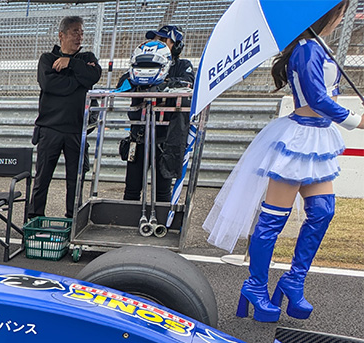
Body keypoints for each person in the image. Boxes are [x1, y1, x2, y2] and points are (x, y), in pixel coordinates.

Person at [205, 0, 362, 323]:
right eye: (341, 10)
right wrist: (356, 120)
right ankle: (255, 286)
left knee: (323, 211)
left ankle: (294, 281)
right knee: (273, 220)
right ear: (329, 14)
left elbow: (326, 95)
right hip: (297, 140)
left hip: (318, 138)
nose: (342, 16)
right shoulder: (307, 49)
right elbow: (317, 99)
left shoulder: (320, 48)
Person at [28, 16, 101, 219]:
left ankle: (73, 220)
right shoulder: (47, 59)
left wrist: (70, 63)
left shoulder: (87, 57)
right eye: (75, 32)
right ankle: (34, 219)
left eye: (82, 32)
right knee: (42, 179)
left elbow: (94, 76)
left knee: (75, 181)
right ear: (62, 35)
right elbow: (50, 85)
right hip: (49, 129)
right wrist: (78, 82)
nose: (79, 37)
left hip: (76, 130)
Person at [116, 26, 194, 203]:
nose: (159, 43)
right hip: (138, 136)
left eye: (164, 40)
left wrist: (161, 85)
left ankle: (161, 218)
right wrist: (141, 81)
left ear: (177, 46)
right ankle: (128, 217)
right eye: (157, 39)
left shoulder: (182, 66)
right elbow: (122, 84)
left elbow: (188, 83)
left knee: (162, 190)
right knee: (132, 188)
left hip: (164, 139)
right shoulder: (140, 65)